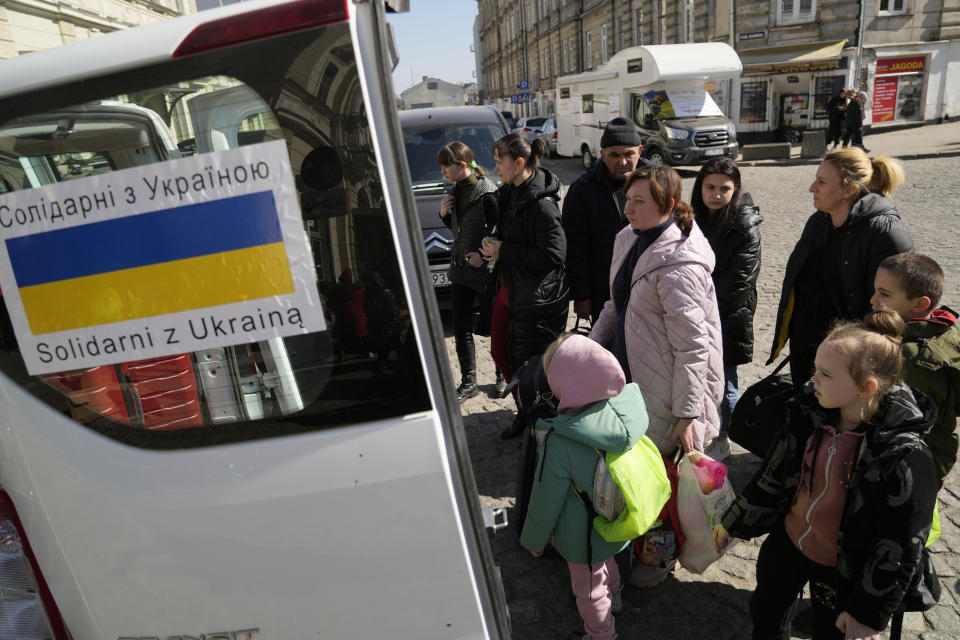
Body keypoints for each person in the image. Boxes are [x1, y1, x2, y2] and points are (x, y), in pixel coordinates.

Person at [714, 310, 939, 640]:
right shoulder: (808, 413)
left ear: (866, 387)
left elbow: (900, 543)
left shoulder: (903, 455)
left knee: (828, 630)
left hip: (841, 568)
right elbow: (773, 471)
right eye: (815, 370)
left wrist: (867, 614)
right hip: (788, 542)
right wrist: (735, 520)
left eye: (824, 374)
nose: (811, 380)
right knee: (766, 612)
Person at [591, 164, 723, 456]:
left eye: (639, 202)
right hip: (628, 373)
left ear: (668, 205)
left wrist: (687, 415)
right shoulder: (629, 237)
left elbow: (692, 347)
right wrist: (588, 348)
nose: (628, 209)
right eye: (629, 199)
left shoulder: (680, 267)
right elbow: (615, 305)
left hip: (663, 388)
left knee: (661, 476)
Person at [520, 333, 645, 640]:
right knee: (608, 560)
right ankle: (615, 594)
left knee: (589, 591)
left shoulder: (561, 440)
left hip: (583, 534)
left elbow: (546, 498)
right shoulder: (628, 409)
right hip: (619, 516)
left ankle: (601, 633)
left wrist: (535, 541)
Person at [768, 147, 913, 388]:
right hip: (809, 351)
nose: (812, 188)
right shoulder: (819, 221)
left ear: (849, 190)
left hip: (851, 363)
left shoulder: (886, 233)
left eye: (822, 182)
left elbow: (891, 309)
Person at [481, 133, 569, 438]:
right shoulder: (509, 192)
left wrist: (504, 250)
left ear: (519, 163)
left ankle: (538, 424)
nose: (496, 168)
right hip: (509, 288)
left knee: (530, 365)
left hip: (535, 299)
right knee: (499, 352)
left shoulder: (543, 205)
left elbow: (555, 255)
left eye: (499, 161)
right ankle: (524, 409)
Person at [691, 158, 762, 462]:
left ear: (736, 189)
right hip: (693, 314)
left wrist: (702, 312)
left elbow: (738, 283)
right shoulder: (692, 218)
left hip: (726, 317)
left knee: (724, 381)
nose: (717, 194)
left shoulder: (744, 226)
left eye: (725, 188)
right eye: (710, 187)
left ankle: (723, 437)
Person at [871, 252, 960, 486]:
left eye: (884, 294)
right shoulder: (941, 330)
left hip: (910, 467)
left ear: (920, 304)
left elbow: (899, 421)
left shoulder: (913, 358)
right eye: (875, 290)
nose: (873, 300)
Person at [562, 117, 646, 325]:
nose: (623, 161)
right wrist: (582, 296)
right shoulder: (582, 189)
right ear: (602, 155)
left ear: (640, 151)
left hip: (649, 289)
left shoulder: (657, 182)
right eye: (614, 155)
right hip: (604, 292)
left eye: (629, 154)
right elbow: (574, 247)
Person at [436, 141, 499, 402]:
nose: (442, 172)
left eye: (445, 166)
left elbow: (499, 232)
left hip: (486, 273)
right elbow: (459, 229)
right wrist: (443, 214)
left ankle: (502, 376)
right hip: (460, 270)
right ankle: (469, 382)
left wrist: (483, 258)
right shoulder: (454, 191)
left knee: (496, 326)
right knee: (461, 328)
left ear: (462, 165)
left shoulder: (488, 192)